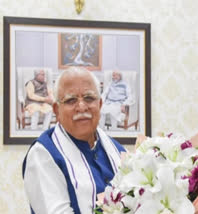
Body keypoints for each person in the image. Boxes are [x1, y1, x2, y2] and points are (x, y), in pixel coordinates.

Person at [22, 67, 126, 214]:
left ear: (100, 105)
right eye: (71, 100)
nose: (81, 107)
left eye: (89, 98)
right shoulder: (43, 155)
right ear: (57, 110)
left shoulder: (117, 150)